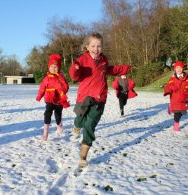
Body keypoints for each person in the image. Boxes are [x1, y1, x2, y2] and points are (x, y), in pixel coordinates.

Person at [69, 32, 130, 167]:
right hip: (84, 97)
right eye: (94, 46)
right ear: (87, 47)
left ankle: (83, 155)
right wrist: (75, 68)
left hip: (99, 98)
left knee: (90, 125)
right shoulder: (82, 60)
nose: (96, 49)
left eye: (99, 46)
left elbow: (109, 69)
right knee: (79, 118)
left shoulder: (103, 60)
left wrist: (123, 69)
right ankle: (76, 127)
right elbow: (74, 77)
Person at [36, 54, 70, 142]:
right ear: (48, 67)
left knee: (58, 115)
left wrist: (60, 87)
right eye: (51, 67)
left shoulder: (61, 77)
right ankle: (45, 131)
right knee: (47, 114)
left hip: (59, 100)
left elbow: (66, 87)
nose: (53, 69)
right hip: (49, 100)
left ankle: (59, 125)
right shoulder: (47, 78)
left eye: (55, 67)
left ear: (58, 68)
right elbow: (42, 87)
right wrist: (39, 95)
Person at [164, 61, 188, 132]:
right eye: (177, 68)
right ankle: (176, 125)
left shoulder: (187, 78)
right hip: (175, 98)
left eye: (180, 67)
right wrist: (171, 87)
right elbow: (168, 86)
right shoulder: (172, 78)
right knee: (177, 112)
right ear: (175, 69)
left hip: (183, 98)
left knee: (182, 112)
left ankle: (170, 107)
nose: (179, 69)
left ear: (183, 68)